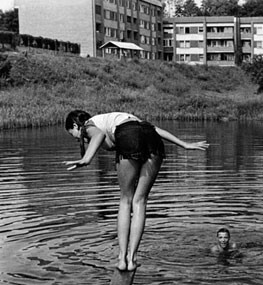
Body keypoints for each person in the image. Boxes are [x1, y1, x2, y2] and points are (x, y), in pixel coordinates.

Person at [64, 110, 209, 271]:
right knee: (140, 201)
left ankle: (121, 259)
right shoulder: (125, 118)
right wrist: (184, 144)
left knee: (126, 200)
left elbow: (98, 136)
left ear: (76, 125)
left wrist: (86, 159)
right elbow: (154, 130)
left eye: (73, 135)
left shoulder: (89, 124)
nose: (78, 139)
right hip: (152, 140)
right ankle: (132, 259)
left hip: (129, 138)